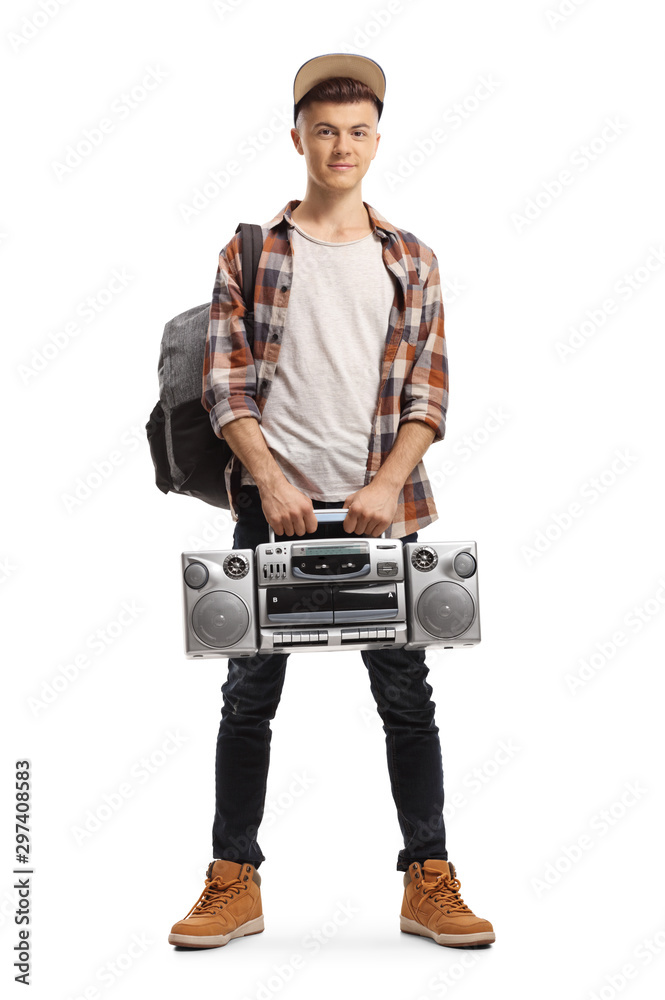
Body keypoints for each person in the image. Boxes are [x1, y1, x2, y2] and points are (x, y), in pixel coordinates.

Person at [168, 52, 495, 951]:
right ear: (298, 138)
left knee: (407, 697)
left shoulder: (412, 260)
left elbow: (429, 392)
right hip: (268, 503)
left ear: (376, 140)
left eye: (357, 131)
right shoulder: (251, 252)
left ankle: (426, 877)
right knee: (247, 697)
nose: (341, 145)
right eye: (325, 131)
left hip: (380, 508)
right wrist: (270, 480)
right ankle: (233, 880)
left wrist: (388, 486)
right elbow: (224, 387)